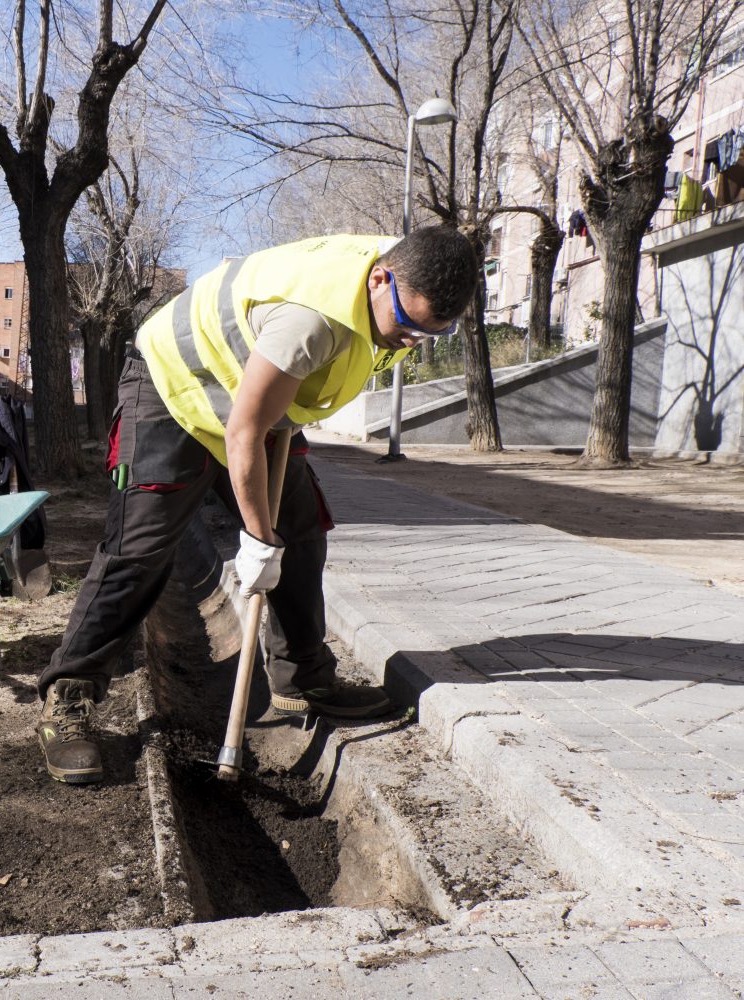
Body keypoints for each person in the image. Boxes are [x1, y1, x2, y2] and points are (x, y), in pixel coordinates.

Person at [35, 227, 480, 784]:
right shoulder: (310, 319)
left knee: (301, 525)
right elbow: (244, 432)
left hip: (258, 396)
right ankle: (68, 697)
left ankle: (304, 678)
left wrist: (275, 532)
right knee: (141, 548)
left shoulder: (410, 267)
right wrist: (255, 538)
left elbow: (263, 417)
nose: (411, 342)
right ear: (380, 279)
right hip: (174, 387)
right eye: (408, 326)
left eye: (430, 333)